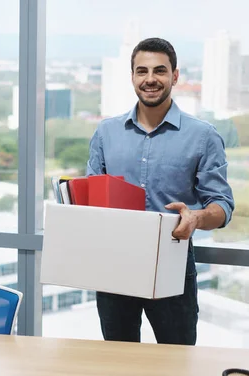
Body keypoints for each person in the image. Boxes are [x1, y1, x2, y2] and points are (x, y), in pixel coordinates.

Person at [86, 38, 235, 346]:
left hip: (173, 263)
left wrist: (196, 217)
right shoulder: (106, 132)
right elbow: (92, 197)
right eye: (142, 71)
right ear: (132, 77)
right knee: (118, 359)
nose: (150, 79)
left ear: (175, 76)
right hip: (115, 264)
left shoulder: (203, 136)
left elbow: (222, 205)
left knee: (177, 361)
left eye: (159, 71)